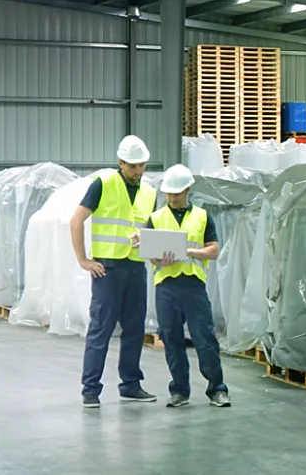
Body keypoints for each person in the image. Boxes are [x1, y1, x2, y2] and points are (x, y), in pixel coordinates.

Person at [71, 136, 159, 408]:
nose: (137, 171)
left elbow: (150, 229)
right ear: (121, 163)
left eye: (141, 165)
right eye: (132, 166)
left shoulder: (149, 192)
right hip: (107, 270)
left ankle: (130, 385)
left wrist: (149, 243)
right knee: (101, 329)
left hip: (136, 268)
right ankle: (90, 390)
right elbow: (76, 220)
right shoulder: (103, 184)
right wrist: (83, 260)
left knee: (134, 330)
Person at [136, 164, 230, 408]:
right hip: (166, 286)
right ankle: (179, 391)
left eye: (177, 193)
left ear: (188, 190)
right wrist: (160, 259)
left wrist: (189, 251)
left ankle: (217, 389)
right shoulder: (156, 218)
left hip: (193, 285)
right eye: (169, 193)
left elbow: (214, 250)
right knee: (171, 338)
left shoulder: (202, 216)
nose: (172, 198)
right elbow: (151, 256)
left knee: (205, 338)